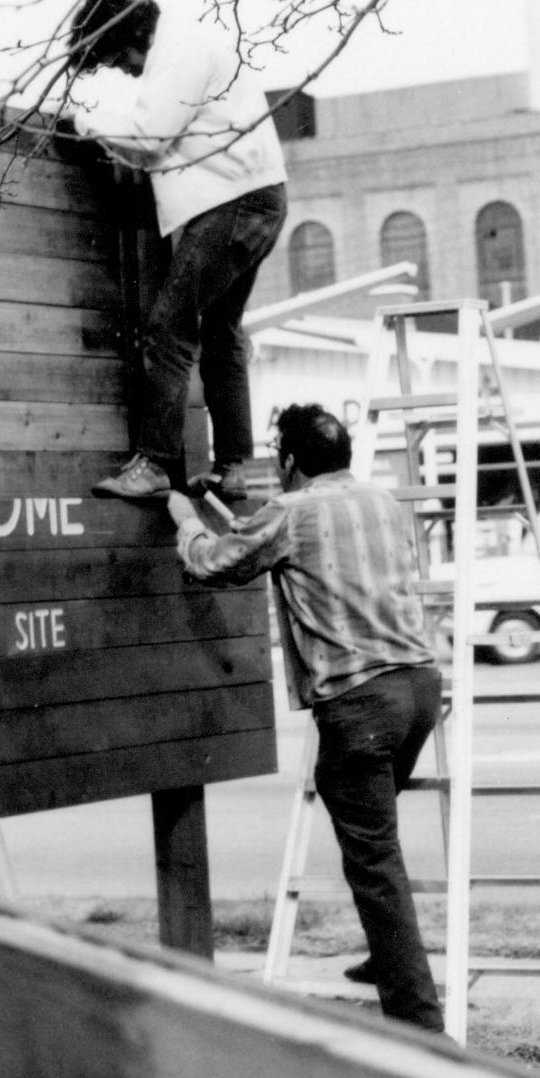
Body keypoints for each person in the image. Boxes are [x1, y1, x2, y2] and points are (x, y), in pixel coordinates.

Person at [165, 403, 445, 1035]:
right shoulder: (382, 503)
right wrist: (228, 516)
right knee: (377, 846)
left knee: (374, 864)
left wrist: (184, 516)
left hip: (359, 705)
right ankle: (389, 951)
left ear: (288, 464)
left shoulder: (290, 513)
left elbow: (216, 563)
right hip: (421, 690)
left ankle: (424, 1033)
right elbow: (288, 551)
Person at [64, 0, 287, 507]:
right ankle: (236, 470)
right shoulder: (182, 48)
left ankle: (156, 464)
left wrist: (85, 120)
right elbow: (153, 143)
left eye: (119, 59)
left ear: (131, 32)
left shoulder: (179, 50)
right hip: (255, 197)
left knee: (168, 327)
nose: (125, 69)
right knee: (222, 332)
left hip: (234, 204)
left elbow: (148, 137)